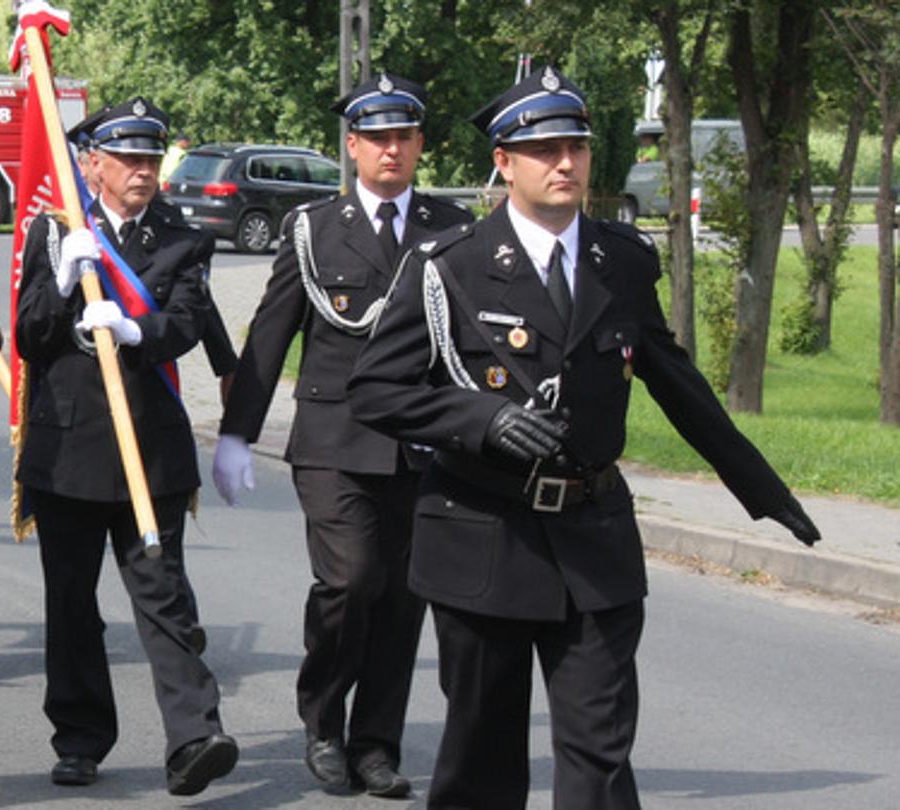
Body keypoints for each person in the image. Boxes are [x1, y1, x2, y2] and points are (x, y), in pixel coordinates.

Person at [346, 67, 823, 809]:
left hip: (593, 537)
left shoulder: (621, 259)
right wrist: (482, 420)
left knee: (600, 750)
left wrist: (763, 492)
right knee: (482, 755)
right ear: (504, 162)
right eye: (545, 150)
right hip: (484, 535)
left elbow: (675, 382)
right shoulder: (451, 266)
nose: (566, 163)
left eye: (577, 147)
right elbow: (376, 389)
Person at [212, 72, 473, 798]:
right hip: (334, 439)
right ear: (352, 145)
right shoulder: (314, 228)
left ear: (420, 145)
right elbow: (270, 337)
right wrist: (237, 436)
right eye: (377, 138)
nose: (392, 150)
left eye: (404, 137)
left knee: (402, 596)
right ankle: (324, 722)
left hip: (424, 443)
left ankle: (377, 745)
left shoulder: (451, 230)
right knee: (352, 580)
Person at [13, 97, 237, 796]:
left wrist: (137, 329)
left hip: (151, 447)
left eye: (150, 158)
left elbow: (190, 319)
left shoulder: (180, 236)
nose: (142, 171)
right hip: (69, 448)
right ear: (93, 164)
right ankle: (80, 737)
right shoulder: (57, 233)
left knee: (163, 594)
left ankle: (195, 735)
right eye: (128, 158)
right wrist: (59, 281)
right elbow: (29, 337)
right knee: (72, 603)